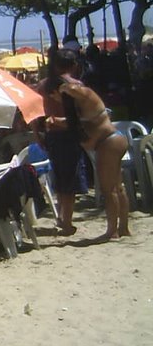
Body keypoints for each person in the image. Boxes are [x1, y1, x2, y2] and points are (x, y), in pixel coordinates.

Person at [43, 63, 130, 239]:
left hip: (108, 142)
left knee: (109, 190)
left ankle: (112, 231)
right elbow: (79, 122)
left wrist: (64, 86)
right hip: (113, 140)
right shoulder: (80, 106)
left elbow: (78, 90)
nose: (56, 100)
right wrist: (55, 120)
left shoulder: (83, 95)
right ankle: (123, 229)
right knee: (118, 188)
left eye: (54, 96)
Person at [35, 49, 89, 235]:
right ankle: (67, 220)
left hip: (52, 135)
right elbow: (82, 115)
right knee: (71, 178)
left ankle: (61, 217)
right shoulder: (75, 85)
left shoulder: (43, 85)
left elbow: (36, 113)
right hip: (70, 134)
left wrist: (37, 134)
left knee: (59, 176)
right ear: (74, 65)